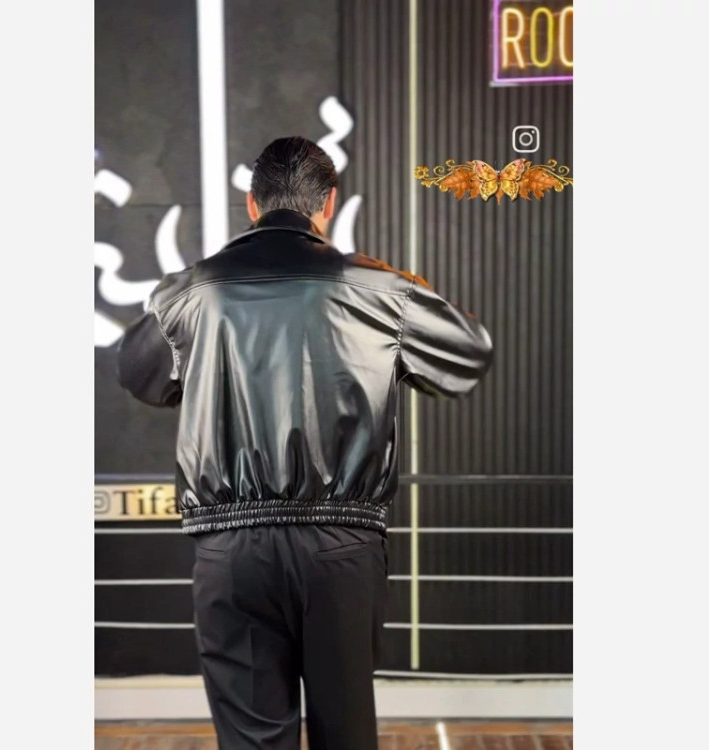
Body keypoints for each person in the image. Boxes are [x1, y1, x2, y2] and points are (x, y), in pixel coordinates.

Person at [117, 136, 493, 750]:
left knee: (252, 740)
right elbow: (469, 354)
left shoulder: (189, 293)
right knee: (346, 734)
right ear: (328, 204)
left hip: (232, 549)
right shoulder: (379, 289)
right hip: (342, 547)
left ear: (252, 204)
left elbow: (138, 375)